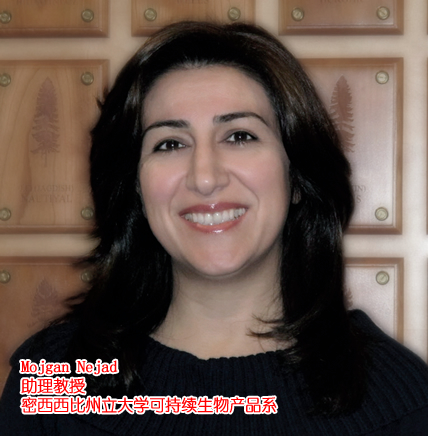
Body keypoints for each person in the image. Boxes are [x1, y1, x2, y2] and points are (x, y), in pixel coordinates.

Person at [1, 21, 428, 435]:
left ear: (298, 176)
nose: (205, 177)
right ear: (136, 188)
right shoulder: (53, 384)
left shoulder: (400, 398)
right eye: (170, 143)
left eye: (240, 136)